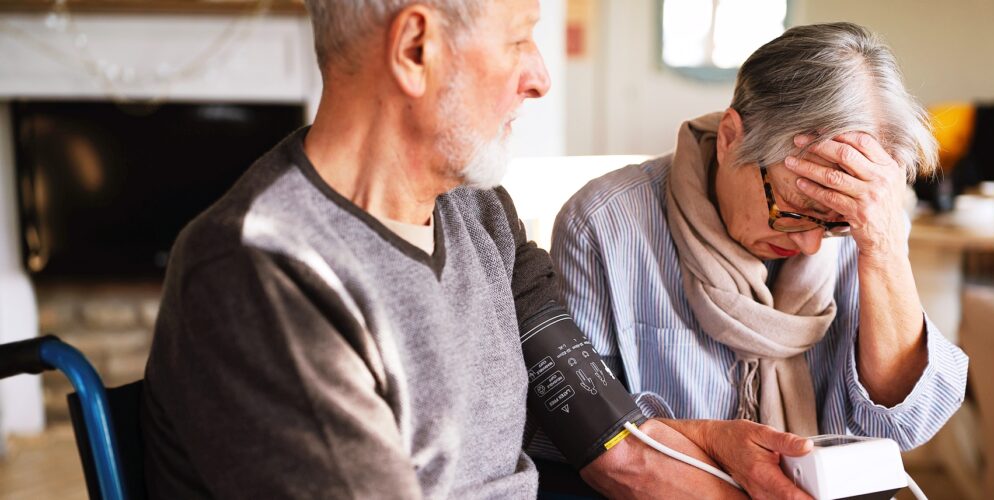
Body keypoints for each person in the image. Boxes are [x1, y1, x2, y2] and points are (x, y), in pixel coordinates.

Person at [141, 1, 815, 498]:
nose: (540, 76)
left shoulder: (476, 211)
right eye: (520, 39)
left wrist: (711, 447)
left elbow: (600, 426)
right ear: (414, 49)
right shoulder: (263, 273)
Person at [551, 22, 969, 464]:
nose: (811, 245)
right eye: (793, 208)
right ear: (731, 138)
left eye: (834, 222)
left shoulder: (867, 223)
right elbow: (579, 435)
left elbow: (906, 424)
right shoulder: (604, 225)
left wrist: (883, 248)